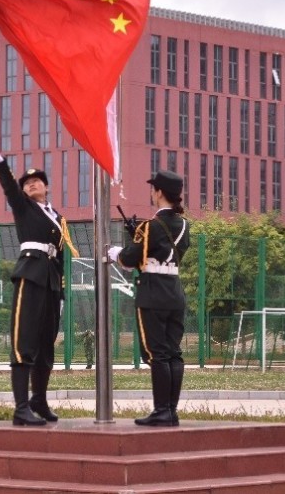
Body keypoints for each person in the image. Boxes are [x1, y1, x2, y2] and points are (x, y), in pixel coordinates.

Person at [0, 124, 75, 427]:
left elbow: (61, 258)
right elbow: (8, 185)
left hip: (50, 282)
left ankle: (38, 401)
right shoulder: (23, 207)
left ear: (46, 186)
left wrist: (61, 292)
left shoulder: (57, 217)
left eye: (36, 182)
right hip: (30, 277)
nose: (31, 186)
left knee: (46, 345)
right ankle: (21, 408)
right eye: (27, 183)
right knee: (24, 344)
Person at [109, 169, 190, 426]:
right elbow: (163, 251)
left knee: (157, 354)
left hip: (152, 294)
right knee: (173, 353)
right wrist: (138, 236)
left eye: (153, 189)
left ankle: (161, 411)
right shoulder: (185, 225)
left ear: (159, 193)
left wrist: (114, 251)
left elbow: (129, 260)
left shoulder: (150, 226)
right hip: (174, 293)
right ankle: (171, 411)